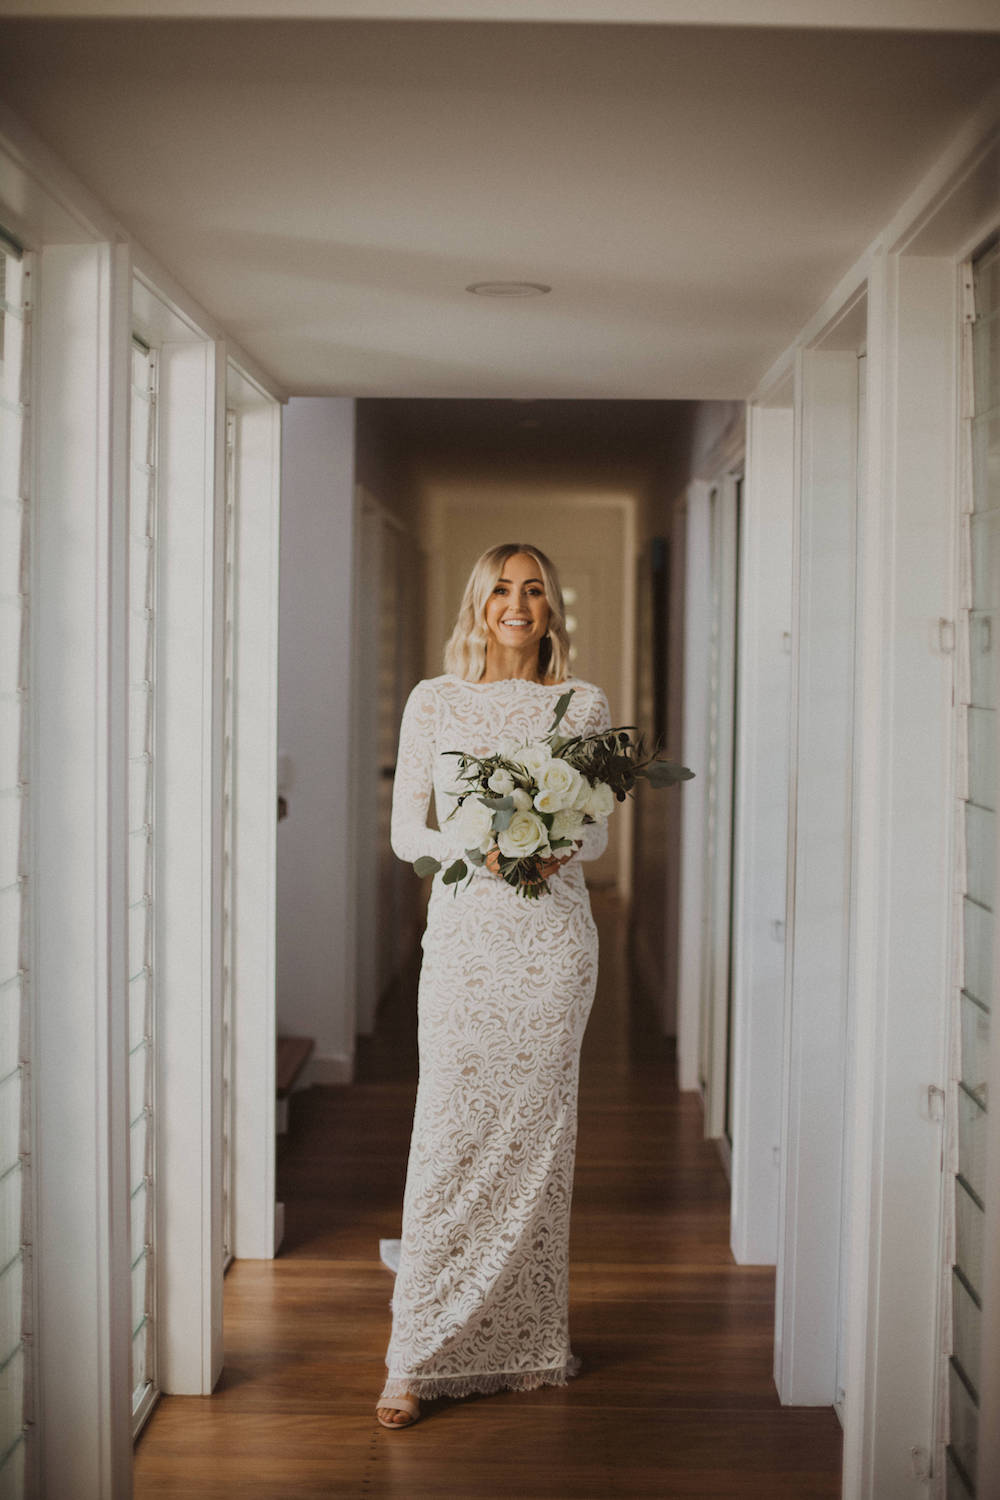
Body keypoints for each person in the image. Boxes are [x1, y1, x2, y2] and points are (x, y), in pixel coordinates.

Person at [376, 543, 611, 1430]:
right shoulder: (432, 701)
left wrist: (551, 844)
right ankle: (413, 1358)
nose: (517, 604)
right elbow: (407, 832)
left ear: (552, 608)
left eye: (534, 590)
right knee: (447, 1136)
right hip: (468, 944)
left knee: (536, 1142)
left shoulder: (580, 703)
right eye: (502, 590)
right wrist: (471, 852)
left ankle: (524, 1345)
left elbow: (592, 836)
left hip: (553, 948)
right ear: (480, 603)